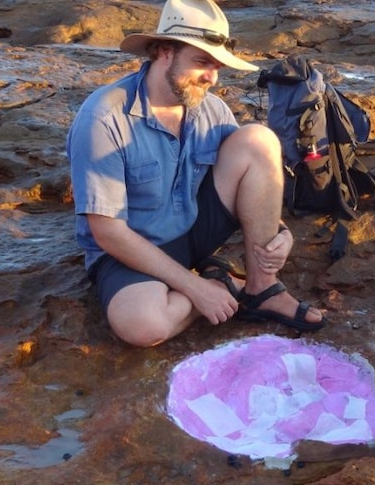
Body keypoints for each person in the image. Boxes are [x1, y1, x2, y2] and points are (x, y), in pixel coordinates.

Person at [67, 0, 326, 347]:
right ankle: (222, 284)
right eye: (202, 62)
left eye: (217, 66)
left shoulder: (210, 109)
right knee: (143, 326)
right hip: (130, 249)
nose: (212, 77)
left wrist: (281, 232)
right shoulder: (103, 118)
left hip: (192, 230)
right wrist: (197, 288)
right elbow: (107, 231)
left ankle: (263, 287)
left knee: (259, 140)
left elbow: (253, 181)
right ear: (164, 52)